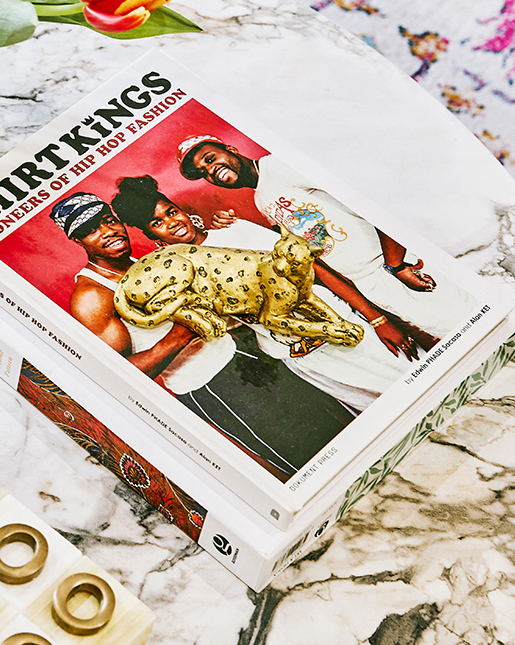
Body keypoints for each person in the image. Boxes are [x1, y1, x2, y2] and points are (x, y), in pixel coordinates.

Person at [49, 191, 355, 480]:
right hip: (212, 384)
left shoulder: (141, 265)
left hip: (246, 351)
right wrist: (183, 333)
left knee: (333, 420)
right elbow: (117, 376)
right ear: (77, 240)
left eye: (108, 219)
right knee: (305, 455)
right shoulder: (92, 296)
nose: (108, 231)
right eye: (91, 228)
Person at [110, 175, 413, 411]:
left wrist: (376, 320)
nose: (172, 223)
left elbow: (316, 270)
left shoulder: (235, 231)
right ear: (153, 238)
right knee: (381, 412)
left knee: (414, 379)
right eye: (157, 223)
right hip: (302, 359)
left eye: (171, 211)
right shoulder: (178, 275)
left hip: (345, 327)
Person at [177, 135, 469, 347]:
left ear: (230, 149)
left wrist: (396, 263)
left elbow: (370, 197)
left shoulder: (279, 166)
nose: (210, 170)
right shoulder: (262, 198)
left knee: (471, 318)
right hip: (374, 283)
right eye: (203, 172)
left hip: (397, 260)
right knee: (454, 334)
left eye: (210, 159)